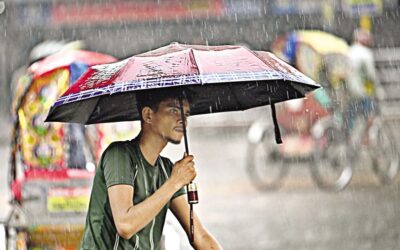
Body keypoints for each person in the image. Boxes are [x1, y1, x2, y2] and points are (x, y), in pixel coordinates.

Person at [80, 88, 222, 249]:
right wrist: (174, 182)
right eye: (174, 110)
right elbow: (125, 226)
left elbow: (200, 236)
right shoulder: (119, 155)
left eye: (186, 113)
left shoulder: (166, 170)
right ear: (148, 115)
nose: (183, 119)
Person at [345, 28, 385, 135]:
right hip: (360, 91)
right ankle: (365, 138)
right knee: (370, 113)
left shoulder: (348, 51)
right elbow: (371, 76)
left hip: (347, 90)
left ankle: (349, 136)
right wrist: (378, 91)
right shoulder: (366, 53)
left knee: (351, 115)